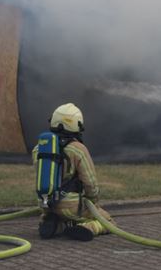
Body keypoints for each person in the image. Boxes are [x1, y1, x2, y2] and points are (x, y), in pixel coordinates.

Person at [34, 103, 115, 241]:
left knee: (64, 217)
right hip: (71, 205)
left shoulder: (39, 148)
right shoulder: (77, 149)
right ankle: (86, 228)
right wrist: (93, 201)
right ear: (75, 125)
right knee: (109, 222)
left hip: (45, 203)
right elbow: (90, 182)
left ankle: (56, 225)